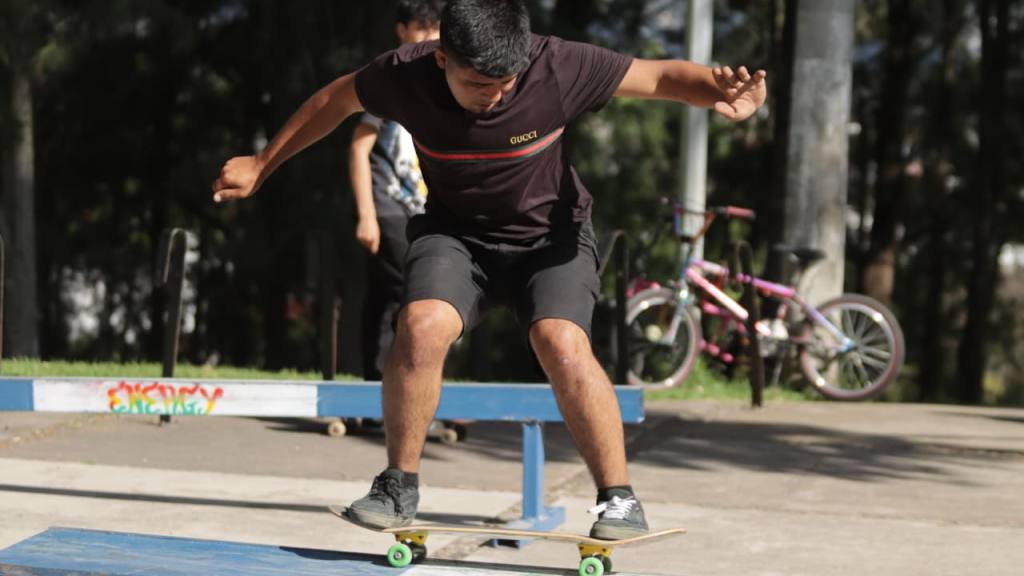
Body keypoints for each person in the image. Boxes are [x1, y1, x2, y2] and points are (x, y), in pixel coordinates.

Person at [212, 0, 766, 540]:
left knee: (562, 342)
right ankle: (396, 486)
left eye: (507, 81)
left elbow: (660, 76)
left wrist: (719, 91)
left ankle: (618, 495)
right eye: (480, 83)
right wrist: (262, 165)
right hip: (457, 236)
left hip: (552, 239)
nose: (496, 95)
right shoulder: (403, 75)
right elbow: (335, 99)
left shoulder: (557, 65)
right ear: (441, 59)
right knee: (422, 325)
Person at [349, 0, 441, 381]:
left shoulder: (437, 82)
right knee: (416, 293)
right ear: (401, 30)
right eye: (421, 28)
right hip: (388, 208)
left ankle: (376, 387)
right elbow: (358, 145)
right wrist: (367, 215)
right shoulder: (391, 79)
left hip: (421, 209)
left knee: (386, 298)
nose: (429, 38)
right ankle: (409, 385)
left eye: (436, 31)